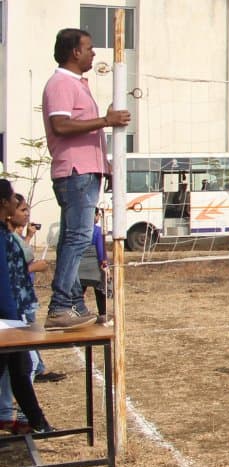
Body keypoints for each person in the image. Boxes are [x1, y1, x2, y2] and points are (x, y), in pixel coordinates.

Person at [41, 28, 131, 330]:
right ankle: (60, 306)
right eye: (89, 48)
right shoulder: (60, 83)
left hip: (86, 171)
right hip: (74, 172)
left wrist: (103, 164)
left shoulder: (77, 84)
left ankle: (74, 303)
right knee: (78, 237)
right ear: (74, 52)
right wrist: (106, 121)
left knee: (75, 238)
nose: (94, 53)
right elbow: (61, 125)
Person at [0, 180, 53, 435]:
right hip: (8, 318)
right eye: (12, 199)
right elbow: (4, 280)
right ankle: (36, 421)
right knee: (21, 368)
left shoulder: (6, 234)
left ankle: (37, 422)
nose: (15, 202)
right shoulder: (2, 236)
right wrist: (13, 320)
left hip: (13, 314)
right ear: (4, 203)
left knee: (21, 370)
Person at [78, 207, 110, 324]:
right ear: (95, 216)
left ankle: (78, 313)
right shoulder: (97, 231)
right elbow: (101, 250)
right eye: (98, 215)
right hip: (94, 267)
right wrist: (104, 262)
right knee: (100, 290)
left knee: (79, 292)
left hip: (79, 267)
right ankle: (103, 315)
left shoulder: (78, 230)